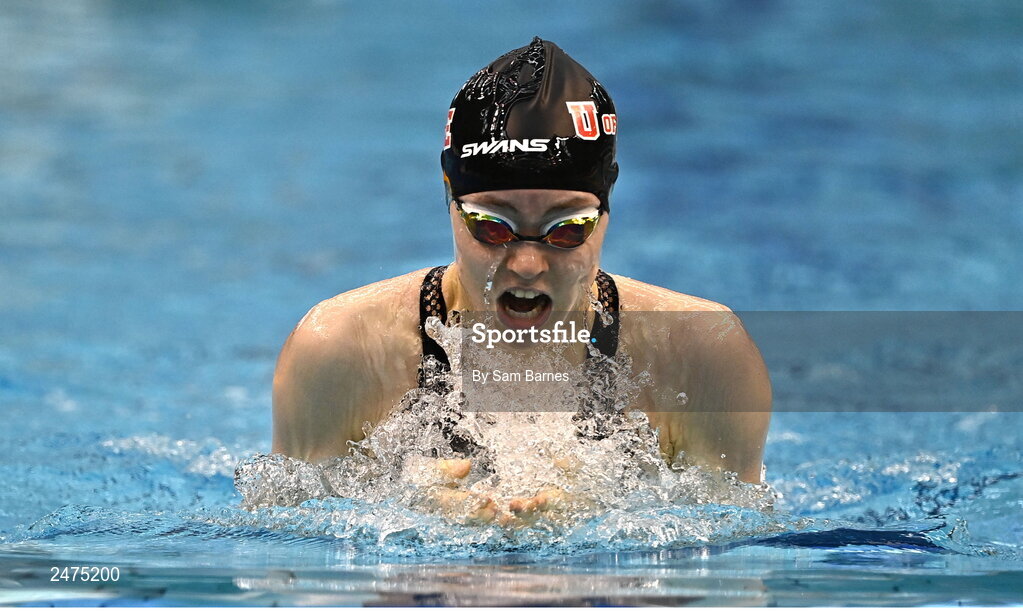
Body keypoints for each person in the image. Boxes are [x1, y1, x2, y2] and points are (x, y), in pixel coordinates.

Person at [272, 38, 771, 520]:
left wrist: (601, 525)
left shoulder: (702, 351)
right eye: (493, 226)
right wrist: (406, 523)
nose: (528, 264)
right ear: (449, 195)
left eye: (567, 229)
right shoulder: (340, 348)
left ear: (606, 207)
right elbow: (286, 558)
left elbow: (732, 566)